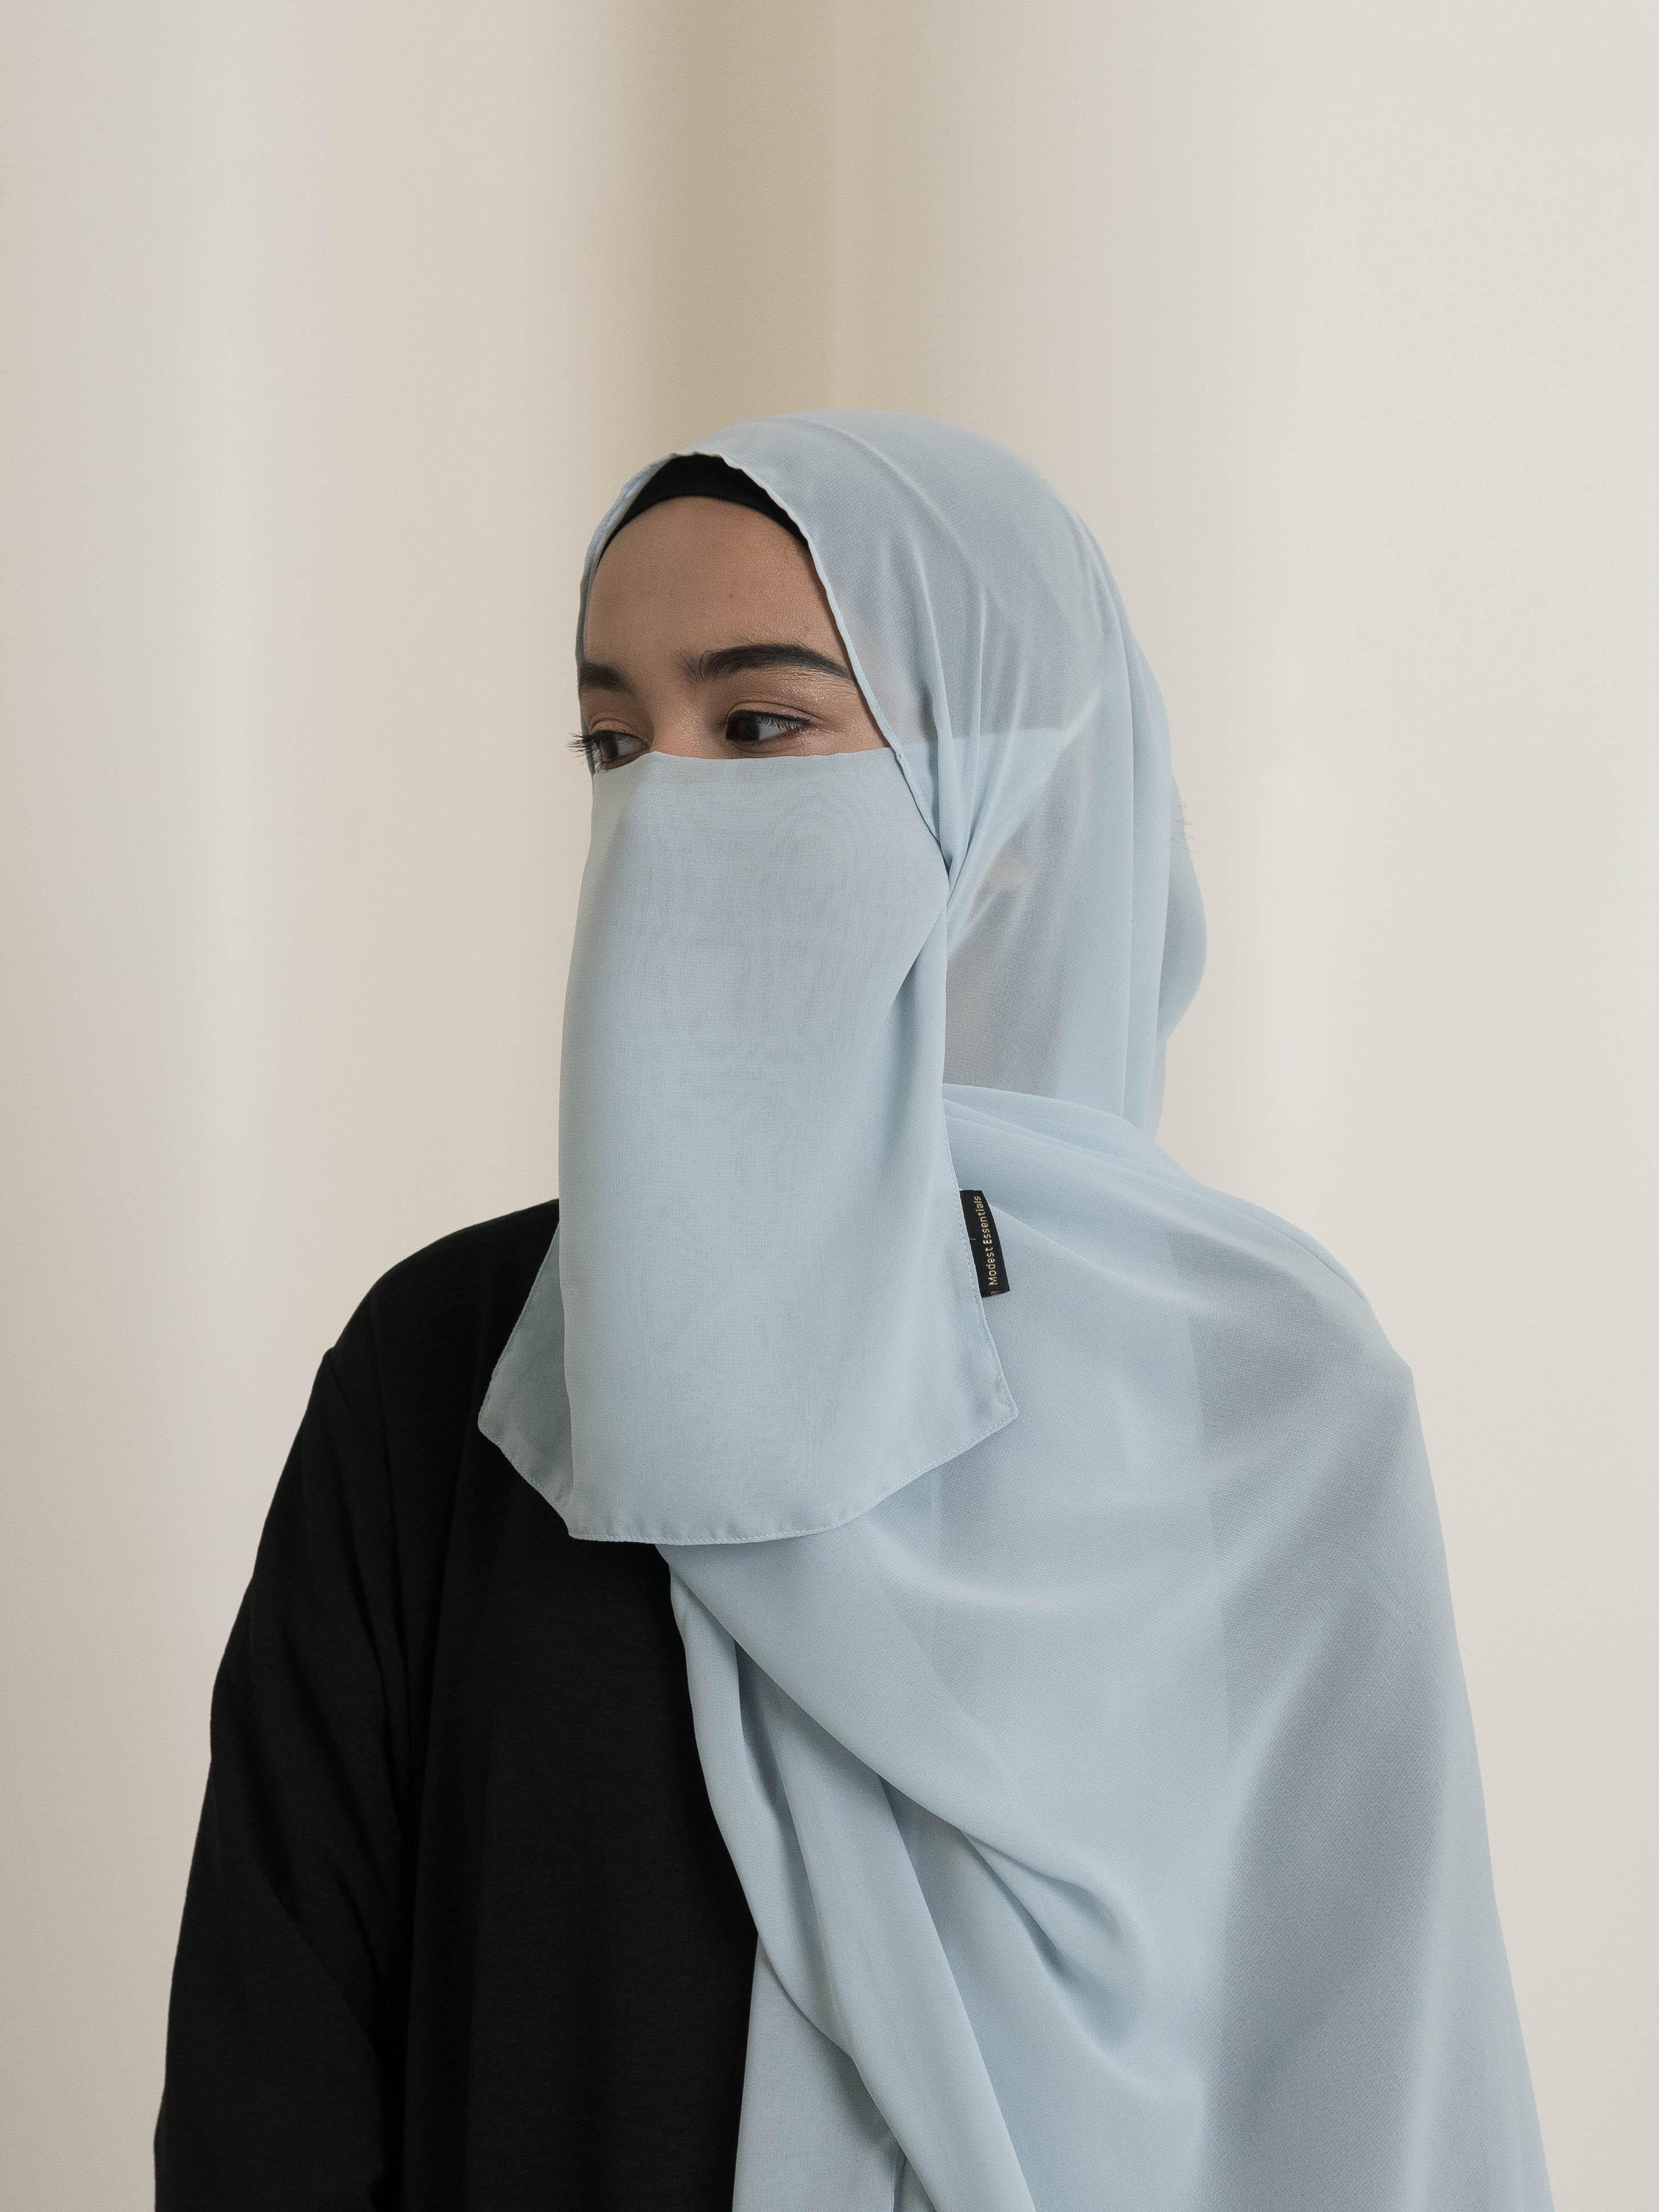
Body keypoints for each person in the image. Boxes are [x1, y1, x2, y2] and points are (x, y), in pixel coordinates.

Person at [156, 415, 1552, 2211]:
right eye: (611, 742)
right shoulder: (458, 1369)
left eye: (758, 728)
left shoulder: (1263, 1393)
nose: (661, 805)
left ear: (1014, 816)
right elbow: (272, 2089)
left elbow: (1373, 2080)